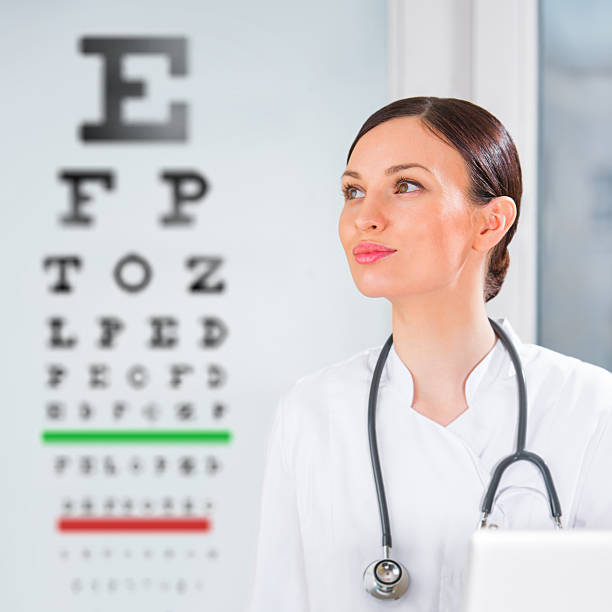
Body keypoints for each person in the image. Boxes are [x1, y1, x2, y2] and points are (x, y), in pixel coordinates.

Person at [246, 97, 612, 612]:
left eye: (405, 186)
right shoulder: (312, 413)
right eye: (353, 191)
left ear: (490, 223)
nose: (364, 218)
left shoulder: (591, 408)